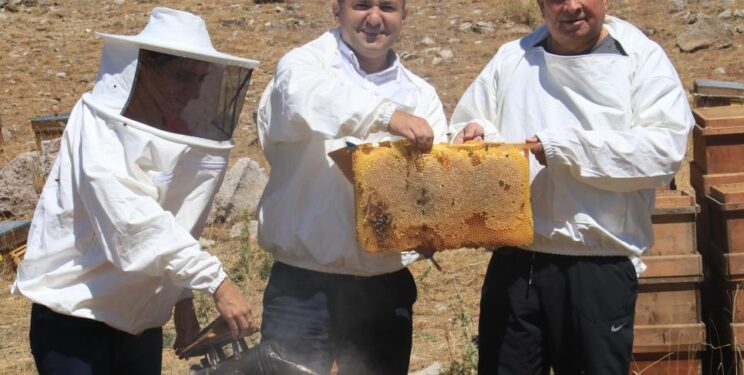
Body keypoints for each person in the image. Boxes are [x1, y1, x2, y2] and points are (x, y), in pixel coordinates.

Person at [450, 0, 694, 373]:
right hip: (516, 261)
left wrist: (562, 148)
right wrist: (470, 137)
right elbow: (469, 123)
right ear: (540, 5)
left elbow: (663, 150)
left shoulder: (641, 59)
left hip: (596, 263)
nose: (571, 7)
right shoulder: (511, 59)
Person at [13, 8, 259, 375]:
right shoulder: (97, 126)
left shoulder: (176, 129)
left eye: (200, 80)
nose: (193, 94)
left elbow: (174, 224)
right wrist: (216, 283)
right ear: (146, 71)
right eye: (182, 78)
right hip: (75, 320)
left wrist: (182, 300)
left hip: (140, 324)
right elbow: (130, 221)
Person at [254, 0, 447, 373]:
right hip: (304, 287)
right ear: (337, 9)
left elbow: (431, 182)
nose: (374, 18)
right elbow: (302, 99)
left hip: (383, 285)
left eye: (388, 7)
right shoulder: (303, 66)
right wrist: (386, 116)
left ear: (404, 14)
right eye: (361, 5)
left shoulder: (421, 95)